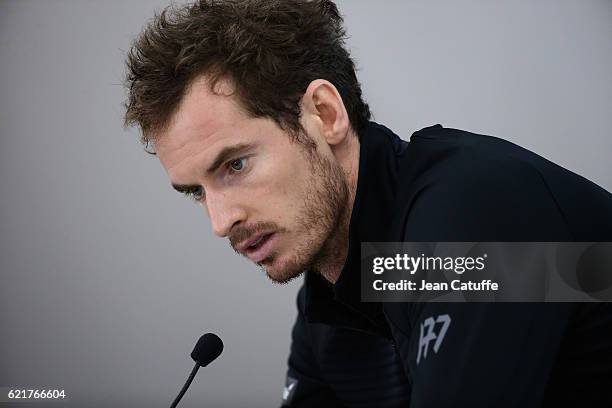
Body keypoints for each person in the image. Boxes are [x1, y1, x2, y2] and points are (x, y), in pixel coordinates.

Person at [123, 1, 612, 406]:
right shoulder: (326, 307)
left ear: (325, 114)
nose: (220, 220)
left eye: (236, 165)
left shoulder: (473, 207)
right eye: (197, 192)